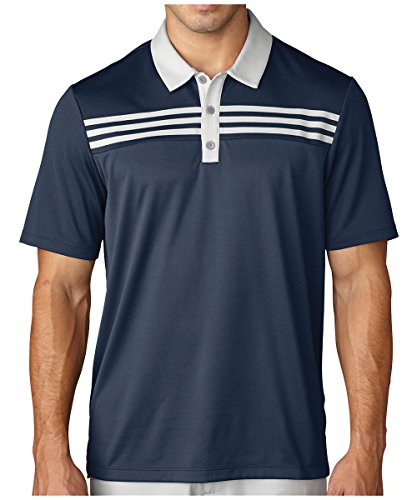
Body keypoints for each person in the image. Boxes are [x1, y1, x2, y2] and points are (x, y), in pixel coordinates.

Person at [19, 4, 398, 496]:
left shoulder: (330, 102)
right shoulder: (91, 108)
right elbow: (62, 290)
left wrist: (368, 447)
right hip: (129, 467)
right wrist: (48, 450)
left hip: (285, 463)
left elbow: (360, 281)